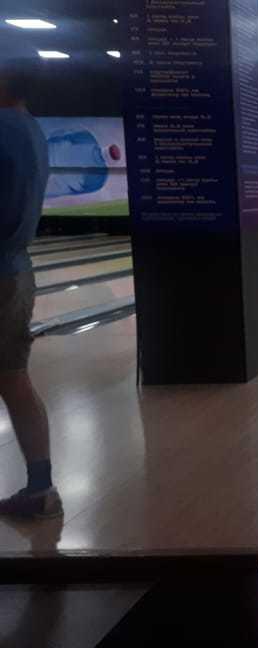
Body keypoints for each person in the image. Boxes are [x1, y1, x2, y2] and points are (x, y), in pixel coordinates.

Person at [0, 57, 59, 519]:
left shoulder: (3, 129)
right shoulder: (30, 128)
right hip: (17, 269)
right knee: (14, 378)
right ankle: (40, 487)